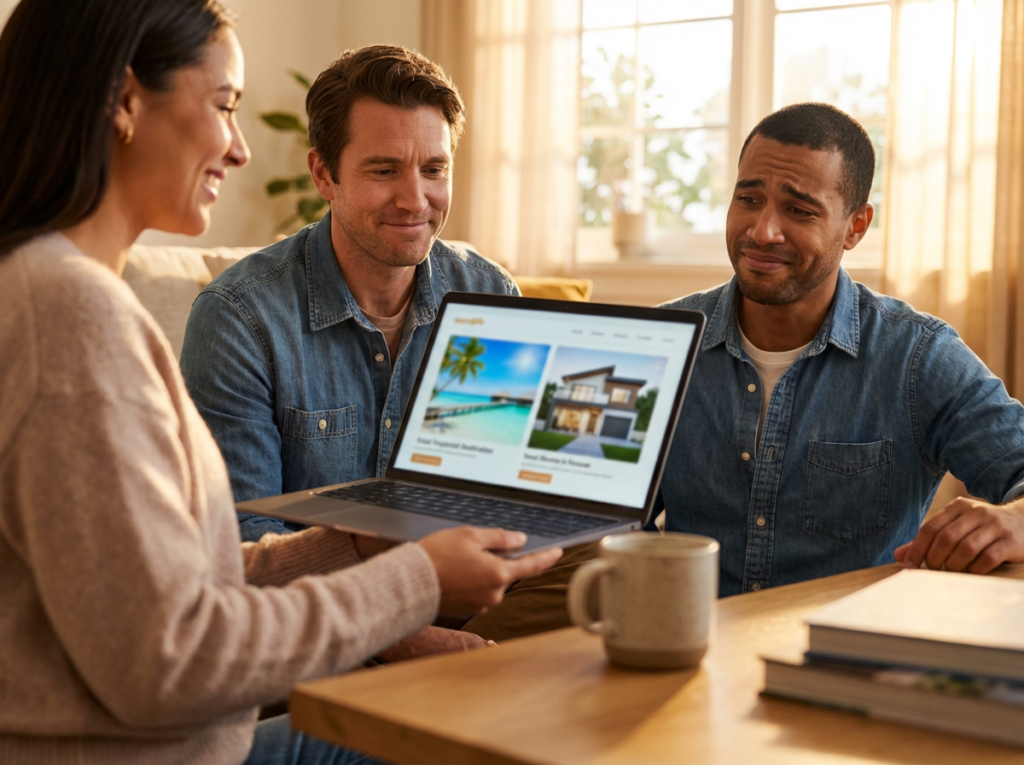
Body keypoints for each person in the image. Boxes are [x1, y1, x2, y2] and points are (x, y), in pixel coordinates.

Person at [0, 2, 560, 763]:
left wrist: (354, 544)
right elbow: (169, 661)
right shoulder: (70, 312)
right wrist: (415, 583)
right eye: (224, 104)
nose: (238, 149)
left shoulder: (60, 293)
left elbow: (179, 580)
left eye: (433, 168)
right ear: (124, 102)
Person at [179, 45, 530, 656]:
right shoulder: (240, 317)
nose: (416, 200)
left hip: (480, 586)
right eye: (384, 170)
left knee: (611, 569)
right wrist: (401, 637)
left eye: (434, 169)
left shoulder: (489, 293)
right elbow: (241, 543)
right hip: (321, 623)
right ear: (324, 175)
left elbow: (512, 491)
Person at [655, 102, 1023, 595]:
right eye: (748, 199)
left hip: (846, 639)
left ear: (856, 227)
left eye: (799, 210)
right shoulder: (661, 342)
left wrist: (1016, 519)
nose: (762, 231)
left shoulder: (918, 357)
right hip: (687, 634)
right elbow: (605, 520)